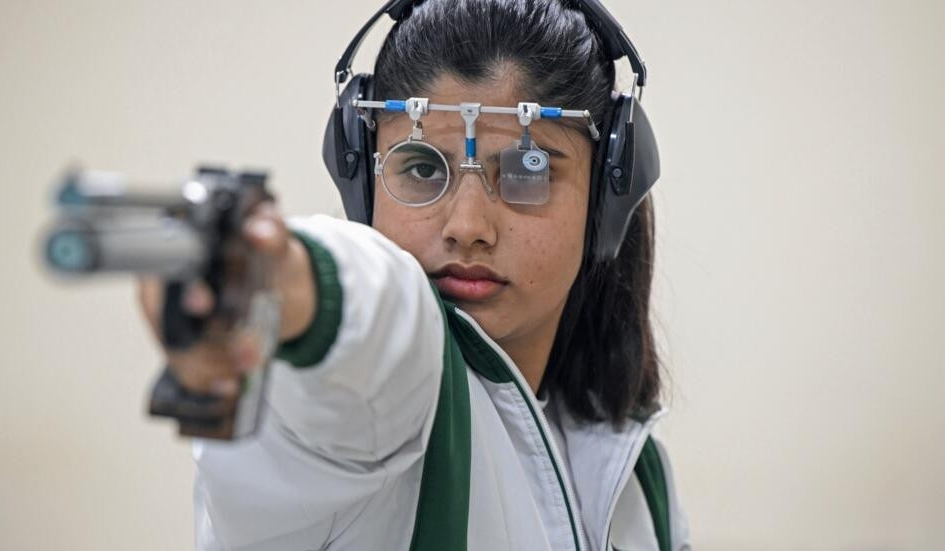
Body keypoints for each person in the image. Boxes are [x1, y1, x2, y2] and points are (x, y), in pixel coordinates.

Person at [139, 0, 690, 549]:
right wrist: (277, 277)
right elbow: (375, 316)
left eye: (529, 168)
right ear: (363, 185)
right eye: (422, 167)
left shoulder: (638, 477)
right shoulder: (375, 407)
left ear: (606, 199)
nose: (468, 225)